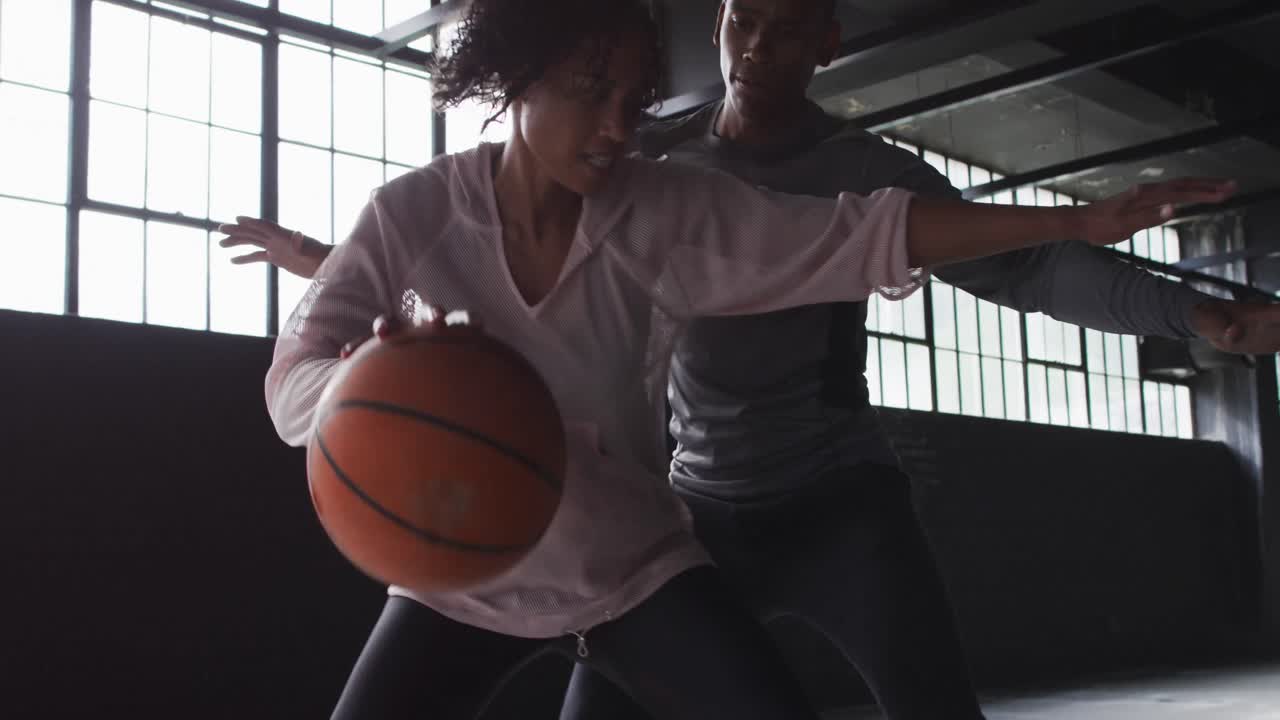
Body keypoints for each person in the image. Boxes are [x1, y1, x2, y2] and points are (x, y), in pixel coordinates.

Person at [256, 1, 1236, 718]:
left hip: (641, 561)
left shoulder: (665, 204)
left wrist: (1086, 215)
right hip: (466, 568)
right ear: (516, 79)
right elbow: (294, 375)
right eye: (589, 92)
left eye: (633, 100)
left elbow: (863, 235)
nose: (614, 125)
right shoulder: (411, 215)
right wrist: (353, 383)